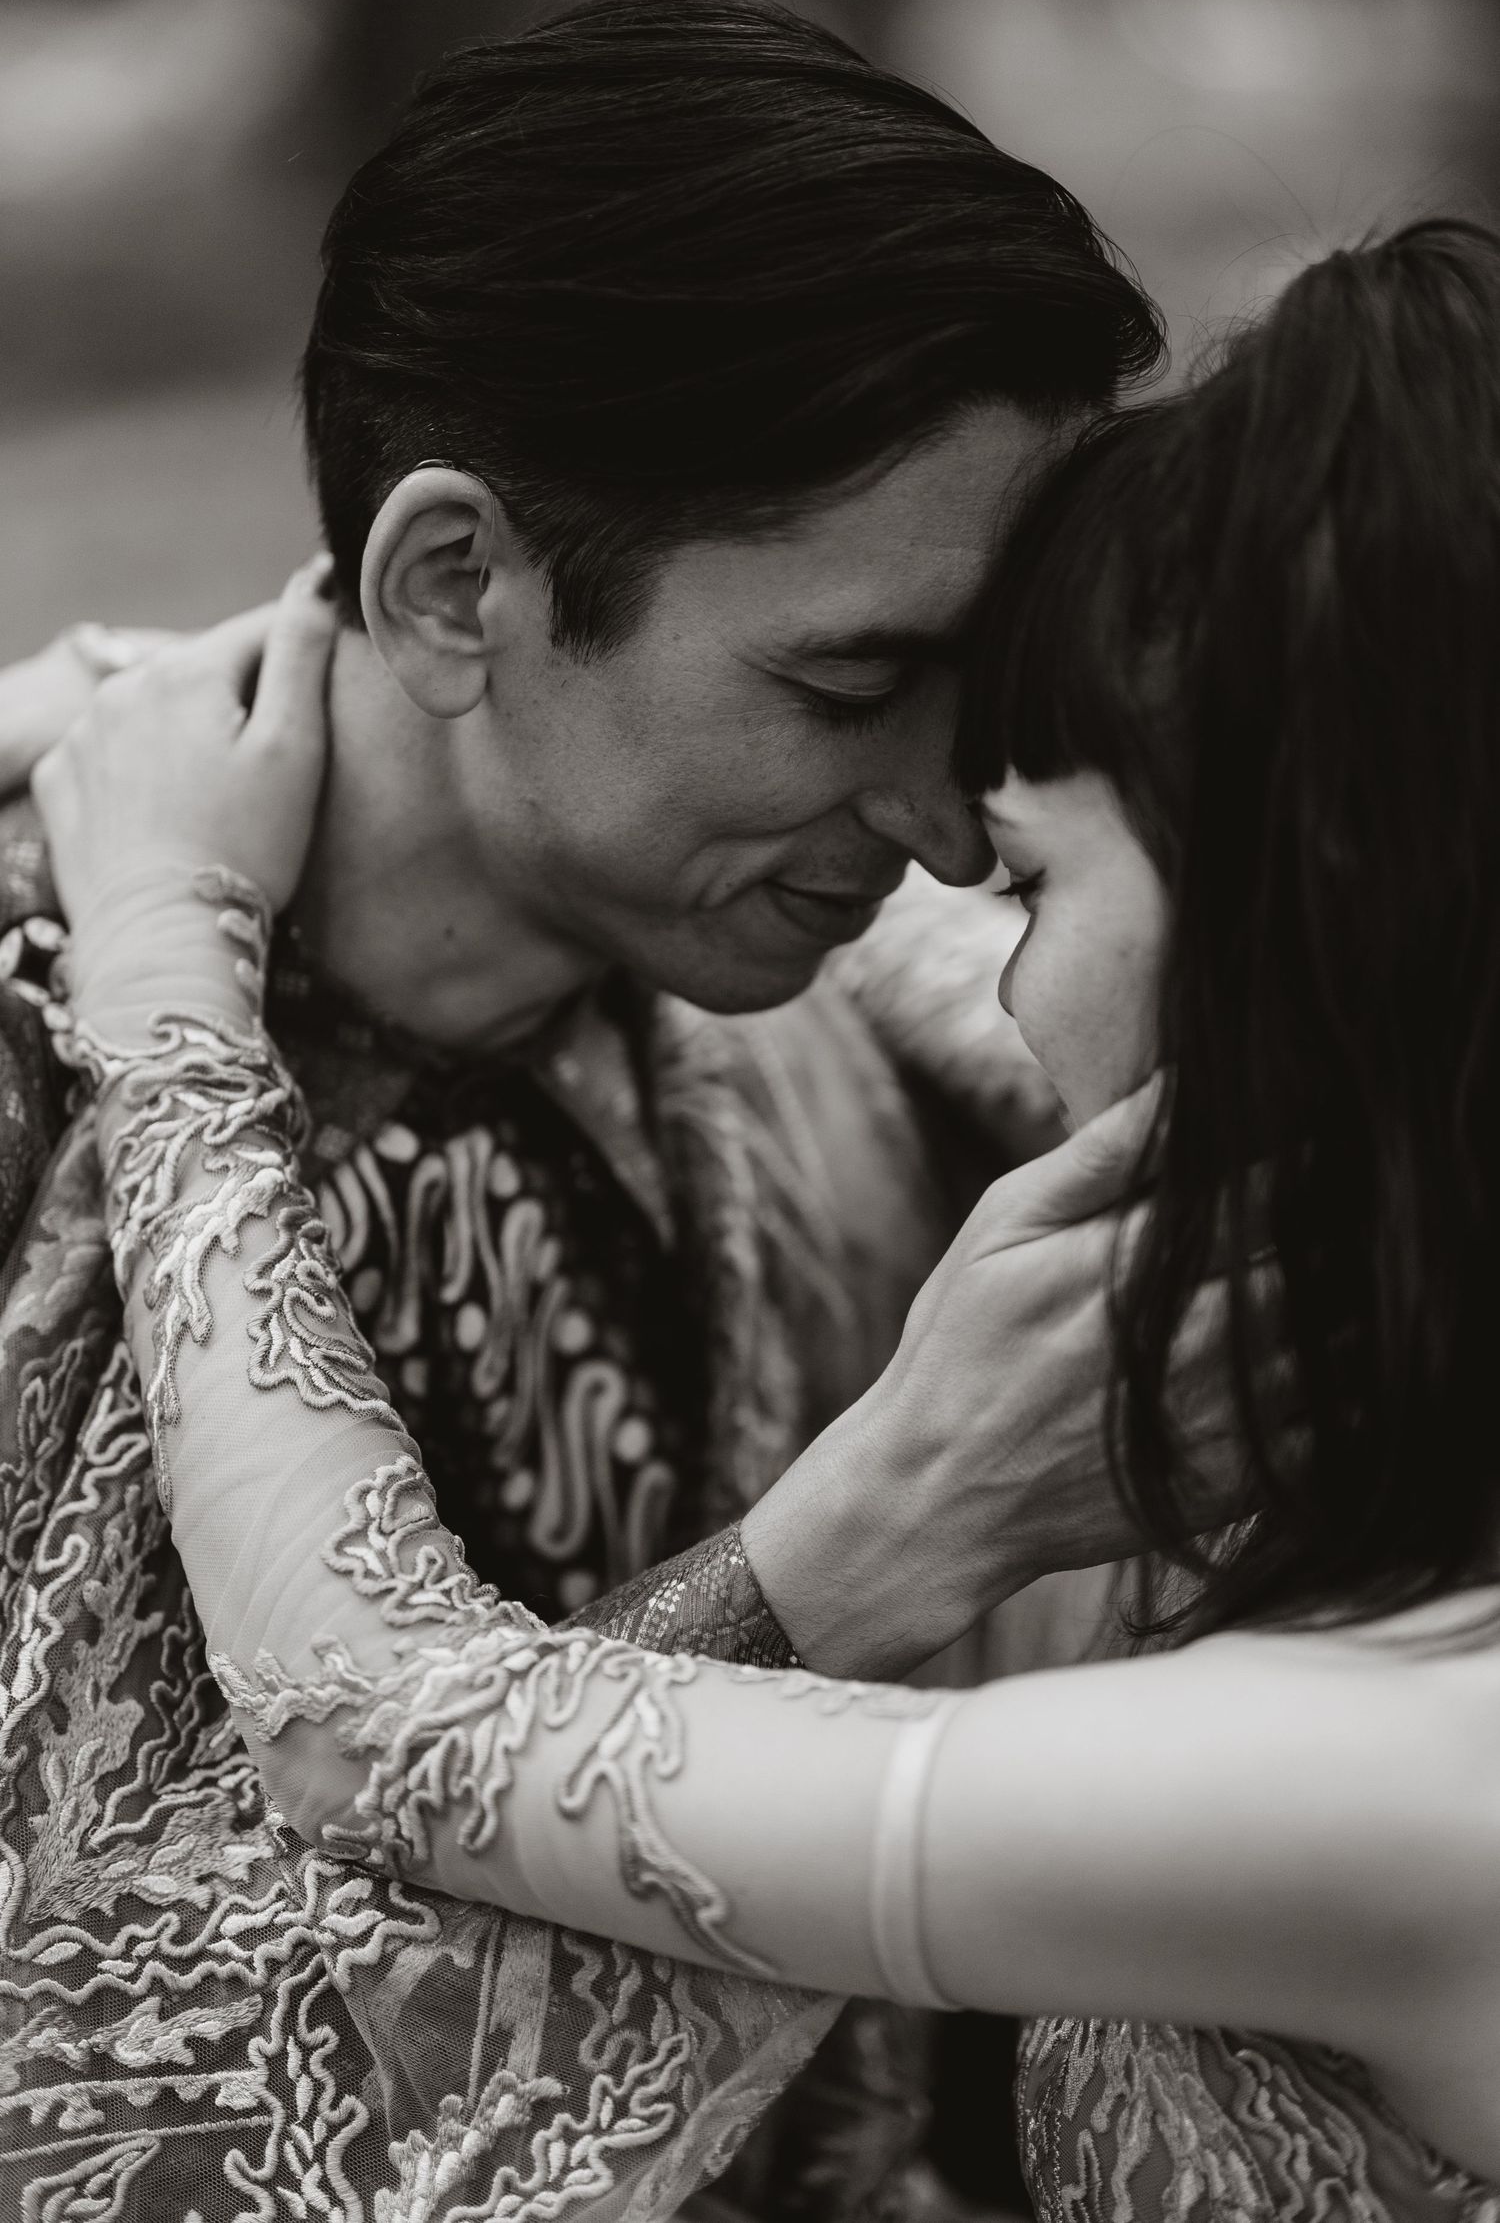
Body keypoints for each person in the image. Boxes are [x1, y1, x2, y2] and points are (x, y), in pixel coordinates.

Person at [34, 215, 1500, 2223]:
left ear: (1312, 904)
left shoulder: (1383, 1781)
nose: (946, 886)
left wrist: (162, 965)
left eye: (1028, 873)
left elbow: (379, 1726)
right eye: (854, 685)